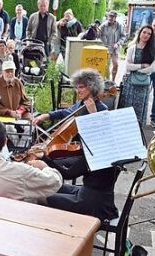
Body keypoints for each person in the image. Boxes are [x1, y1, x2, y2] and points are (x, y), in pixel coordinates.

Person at [34, 68, 119, 219]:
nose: (77, 90)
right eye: (77, 86)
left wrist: (45, 158)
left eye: (82, 87)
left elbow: (68, 174)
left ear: (92, 87)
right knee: (50, 187)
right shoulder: (107, 150)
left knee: (38, 197)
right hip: (94, 194)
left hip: (91, 203)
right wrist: (47, 116)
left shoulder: (94, 151)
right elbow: (68, 114)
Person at [120, 25, 155, 124]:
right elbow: (128, 67)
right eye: (144, 32)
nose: (146, 35)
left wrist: (136, 69)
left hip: (143, 84)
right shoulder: (131, 48)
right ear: (140, 33)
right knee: (127, 108)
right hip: (130, 83)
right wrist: (142, 66)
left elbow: (152, 68)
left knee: (139, 110)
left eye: (149, 34)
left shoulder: (153, 50)